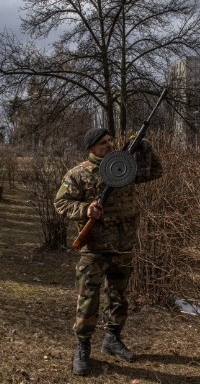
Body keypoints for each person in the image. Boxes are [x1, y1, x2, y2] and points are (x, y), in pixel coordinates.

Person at [54, 127, 163, 376]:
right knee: (88, 300)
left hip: (123, 245)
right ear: (91, 147)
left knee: (118, 296)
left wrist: (145, 147)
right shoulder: (78, 174)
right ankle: (82, 348)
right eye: (103, 143)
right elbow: (60, 202)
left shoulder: (124, 167)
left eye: (111, 140)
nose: (110, 145)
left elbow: (155, 172)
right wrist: (85, 210)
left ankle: (112, 339)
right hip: (94, 249)